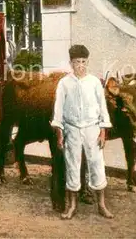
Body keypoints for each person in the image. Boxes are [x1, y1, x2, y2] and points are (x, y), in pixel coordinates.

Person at [51, 44, 114, 220]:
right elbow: (58, 110)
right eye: (77, 62)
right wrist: (60, 133)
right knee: (72, 165)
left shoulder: (94, 82)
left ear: (87, 62)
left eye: (84, 61)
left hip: (92, 128)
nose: (81, 65)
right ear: (71, 63)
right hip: (72, 129)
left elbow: (103, 108)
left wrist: (102, 132)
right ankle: (72, 206)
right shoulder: (64, 83)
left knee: (97, 164)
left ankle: (102, 205)